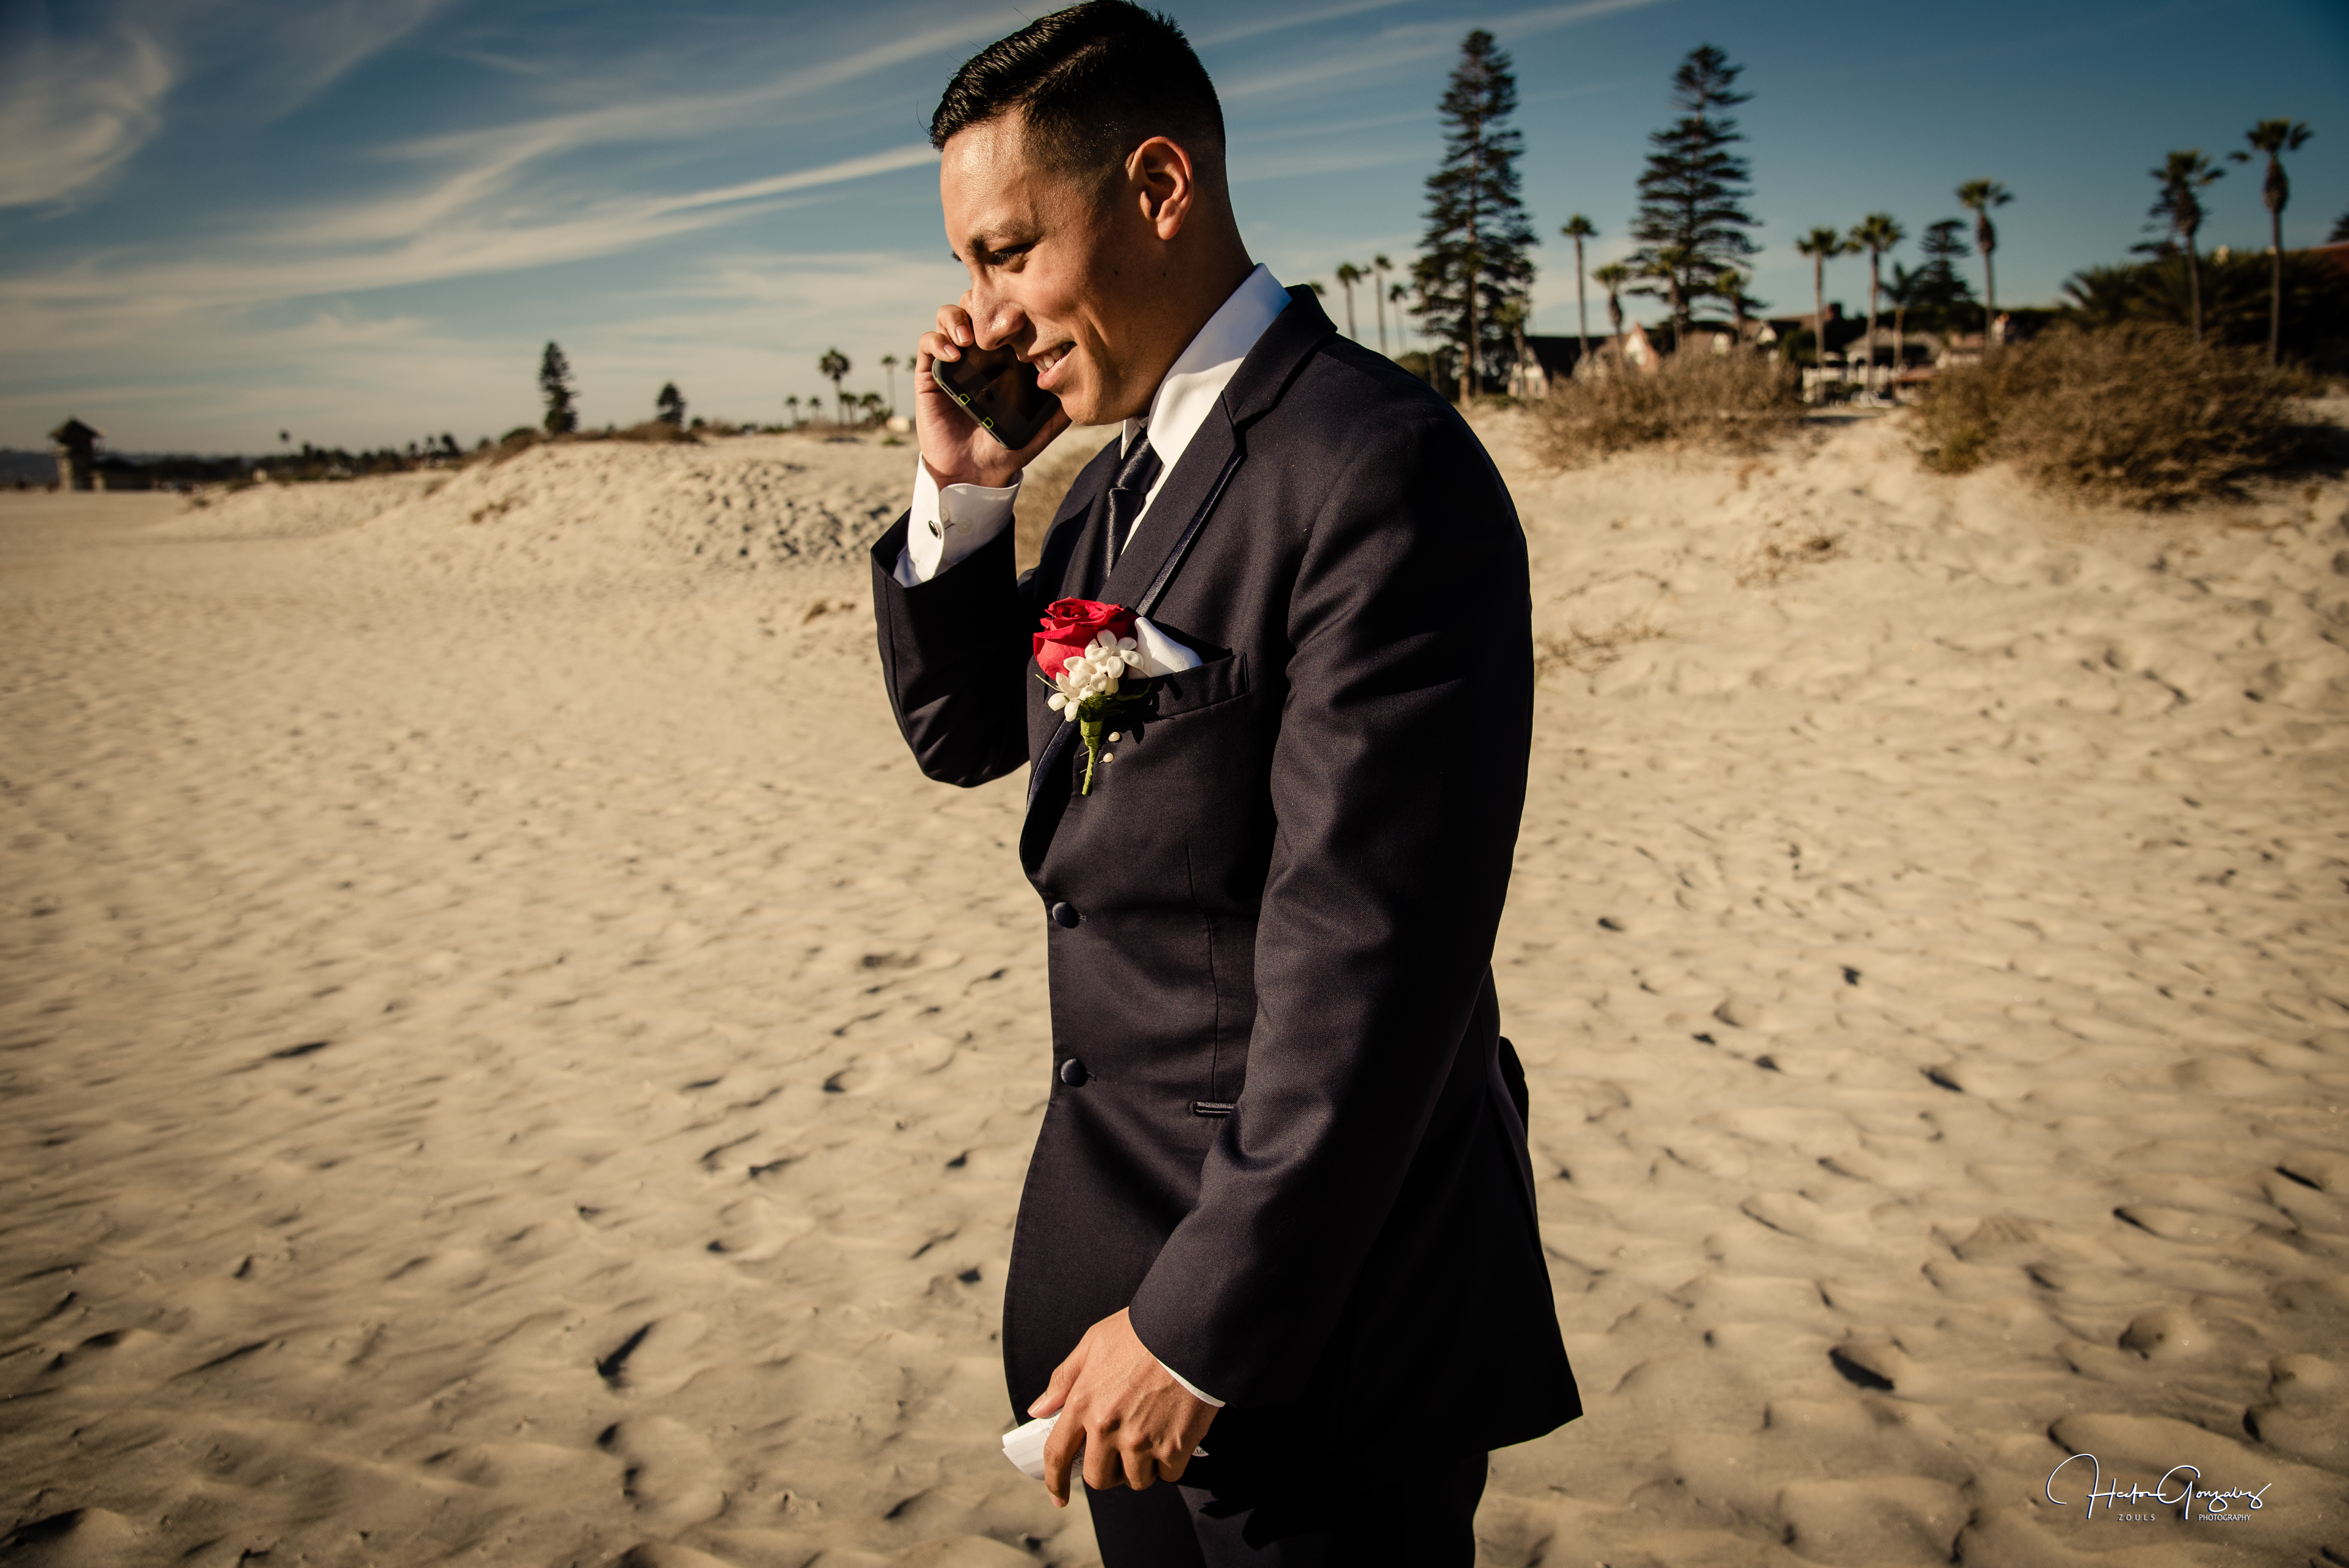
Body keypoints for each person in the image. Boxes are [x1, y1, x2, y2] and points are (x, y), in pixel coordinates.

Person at [868, 5, 1579, 1563]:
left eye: (1007, 253)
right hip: (1108, 1305)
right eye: (967, 267)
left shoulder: (1372, 463)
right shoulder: (1115, 481)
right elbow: (965, 730)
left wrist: (1195, 1328)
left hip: (1315, 1325)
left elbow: (1376, 956)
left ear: (1159, 187)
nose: (978, 313)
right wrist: (966, 493)